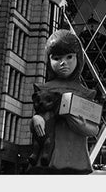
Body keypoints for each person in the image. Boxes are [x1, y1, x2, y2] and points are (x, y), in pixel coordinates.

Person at [27, 29, 99, 174]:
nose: (63, 63)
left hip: (75, 160)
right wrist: (35, 120)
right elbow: (38, 117)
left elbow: (93, 129)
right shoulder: (43, 88)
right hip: (44, 160)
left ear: (78, 58)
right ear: (49, 60)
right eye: (57, 58)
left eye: (69, 57)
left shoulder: (85, 93)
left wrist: (71, 116)